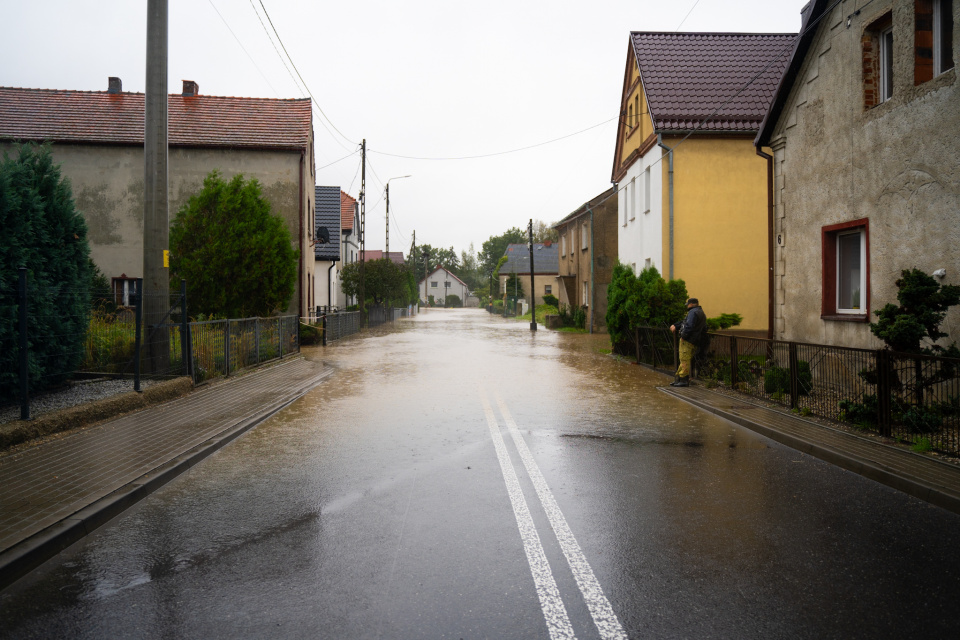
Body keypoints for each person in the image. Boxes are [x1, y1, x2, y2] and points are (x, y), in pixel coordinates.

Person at [669, 298, 706, 387]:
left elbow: (688, 326)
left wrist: (683, 336)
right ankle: (678, 379)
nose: (687, 306)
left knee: (684, 359)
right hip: (695, 340)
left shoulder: (693, 312)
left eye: (688, 304)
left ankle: (683, 380)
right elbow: (686, 322)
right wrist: (676, 325)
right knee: (683, 359)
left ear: (691, 304)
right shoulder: (700, 312)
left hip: (688, 340)